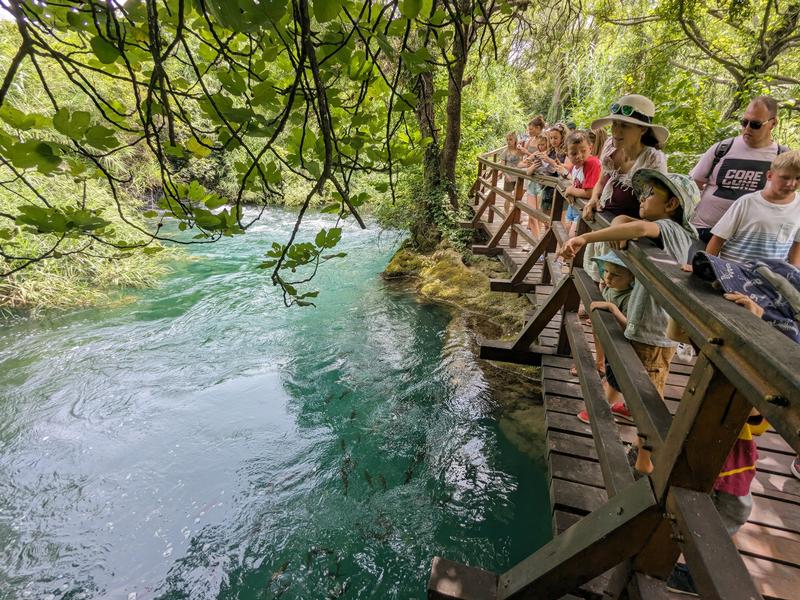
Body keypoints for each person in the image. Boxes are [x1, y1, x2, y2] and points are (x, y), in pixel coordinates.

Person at [560, 170, 700, 473]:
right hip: (648, 325)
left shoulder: (669, 229)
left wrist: (584, 237)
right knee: (635, 381)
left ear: (671, 204)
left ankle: (645, 459)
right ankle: (637, 438)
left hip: (654, 332)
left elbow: (637, 227)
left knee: (649, 398)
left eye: (650, 194)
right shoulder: (671, 231)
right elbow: (629, 222)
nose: (642, 198)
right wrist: (621, 225)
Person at [580, 95, 669, 283]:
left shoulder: (652, 160)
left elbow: (658, 210)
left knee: (614, 287)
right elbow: (601, 180)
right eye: (615, 124)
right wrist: (594, 198)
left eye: (625, 126)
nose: (616, 131)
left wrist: (626, 227)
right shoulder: (610, 147)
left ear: (642, 129)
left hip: (627, 239)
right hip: (604, 226)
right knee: (595, 280)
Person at [690, 95, 791, 242]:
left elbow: (788, 198)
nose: (747, 128)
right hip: (704, 230)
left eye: (755, 124)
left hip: (748, 239)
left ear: (773, 123)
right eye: (744, 122)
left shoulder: (782, 156)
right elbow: (692, 185)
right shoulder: (722, 148)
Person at [705, 150, 800, 266]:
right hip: (734, 270)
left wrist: (795, 272)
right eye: (785, 177)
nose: (791, 184)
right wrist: (706, 265)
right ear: (770, 175)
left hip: (773, 274)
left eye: (798, 178)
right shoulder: (747, 202)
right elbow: (718, 238)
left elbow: (797, 245)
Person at [575, 251, 634, 425]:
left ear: (632, 278)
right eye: (606, 271)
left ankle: (601, 413)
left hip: (624, 345)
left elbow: (631, 326)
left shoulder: (630, 297)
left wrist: (612, 309)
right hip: (611, 341)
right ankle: (629, 408)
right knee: (613, 374)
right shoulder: (611, 288)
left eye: (616, 275)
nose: (608, 277)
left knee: (616, 377)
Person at [564, 131, 602, 238]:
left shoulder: (592, 163)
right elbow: (574, 181)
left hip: (584, 209)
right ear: (567, 154)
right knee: (565, 234)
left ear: (590, 148)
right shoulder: (575, 166)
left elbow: (590, 192)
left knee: (572, 238)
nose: (579, 156)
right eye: (574, 153)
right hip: (574, 206)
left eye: (583, 151)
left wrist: (570, 190)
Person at [523, 134, 552, 237]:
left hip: (543, 186)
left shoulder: (551, 155)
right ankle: (536, 241)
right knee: (531, 214)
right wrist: (531, 165)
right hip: (532, 185)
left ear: (548, 144)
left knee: (540, 215)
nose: (540, 147)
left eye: (543, 144)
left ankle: (539, 240)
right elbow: (525, 167)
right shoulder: (536, 154)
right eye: (539, 145)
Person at [500, 131, 525, 202]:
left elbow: (525, 158)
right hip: (509, 177)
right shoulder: (505, 152)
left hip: (518, 176)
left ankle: (514, 209)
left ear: (515, 140)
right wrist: (506, 175)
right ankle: (507, 210)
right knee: (508, 197)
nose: (508, 141)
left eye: (510, 139)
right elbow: (502, 166)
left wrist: (521, 149)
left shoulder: (519, 151)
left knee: (517, 198)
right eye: (507, 140)